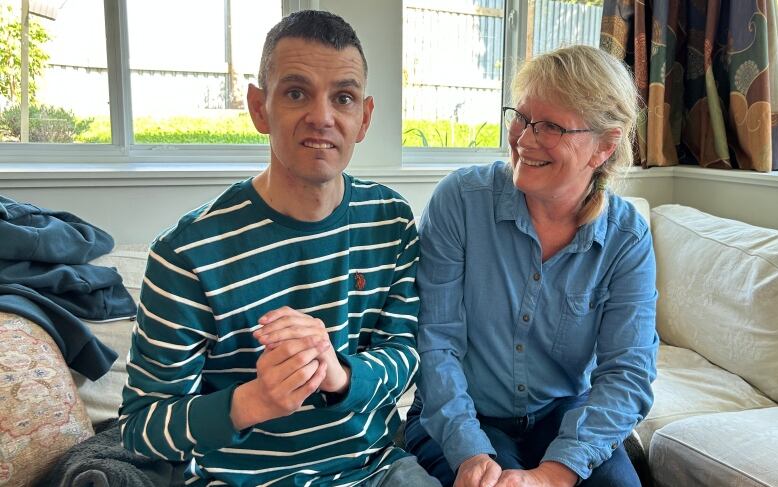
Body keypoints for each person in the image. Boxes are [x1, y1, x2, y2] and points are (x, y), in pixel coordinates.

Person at [119, 10, 439, 487]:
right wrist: (255, 401)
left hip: (375, 470)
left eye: (343, 98)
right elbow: (140, 430)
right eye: (296, 93)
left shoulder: (391, 220)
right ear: (258, 107)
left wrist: (340, 374)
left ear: (364, 117)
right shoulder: (186, 254)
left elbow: (405, 351)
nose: (323, 117)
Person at [404, 45, 658, 487]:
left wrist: (555, 474)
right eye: (520, 116)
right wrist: (471, 452)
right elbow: (435, 342)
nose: (523, 138)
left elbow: (627, 371)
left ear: (604, 146)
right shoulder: (460, 202)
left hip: (561, 415)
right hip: (464, 416)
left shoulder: (626, 237)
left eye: (550, 127)